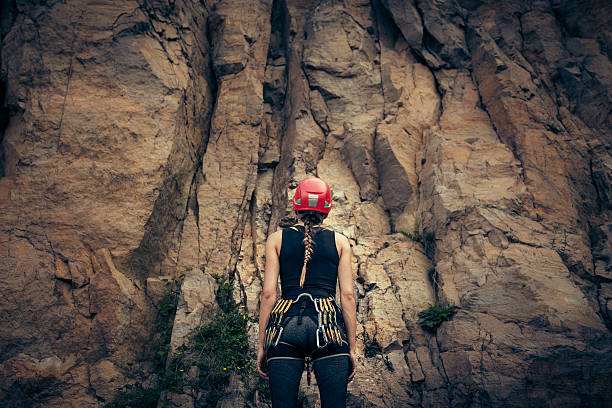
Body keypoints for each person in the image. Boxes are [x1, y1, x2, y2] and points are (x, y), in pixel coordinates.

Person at [257, 176, 357, 408]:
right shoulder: (341, 242)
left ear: (296, 205)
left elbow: (268, 294)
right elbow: (348, 296)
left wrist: (262, 345)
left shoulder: (276, 239)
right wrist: (351, 347)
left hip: (284, 325)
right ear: (327, 209)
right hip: (328, 326)